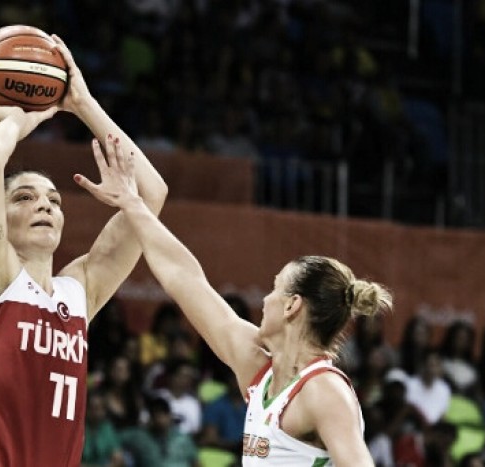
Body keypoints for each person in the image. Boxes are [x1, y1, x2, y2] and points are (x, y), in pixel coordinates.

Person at [76, 139, 393, 466]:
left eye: (275, 288)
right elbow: (184, 278)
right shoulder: (260, 370)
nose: (266, 299)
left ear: (292, 306)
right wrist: (132, 204)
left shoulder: (324, 391)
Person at [0, 34, 167, 467]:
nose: (44, 203)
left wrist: (82, 104)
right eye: (24, 197)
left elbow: (152, 193)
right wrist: (24, 118)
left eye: (53, 200)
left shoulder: (78, 292)